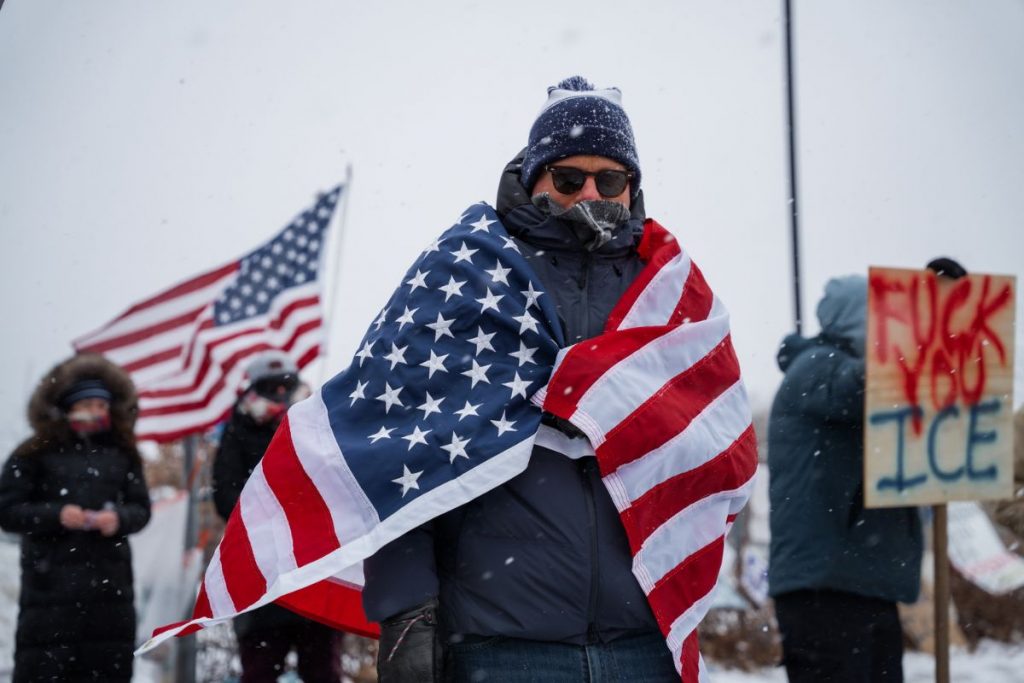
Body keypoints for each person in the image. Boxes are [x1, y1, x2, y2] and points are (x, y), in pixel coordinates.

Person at [360, 76, 754, 682]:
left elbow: (718, 451)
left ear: (633, 188)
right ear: (535, 178)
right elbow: (397, 452)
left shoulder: (672, 297)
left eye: (611, 179)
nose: (590, 193)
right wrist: (407, 612)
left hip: (645, 645)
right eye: (569, 178)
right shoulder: (467, 277)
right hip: (503, 645)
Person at [767, 275, 923, 683]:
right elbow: (870, 385)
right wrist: (935, 316)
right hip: (827, 591)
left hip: (857, 583)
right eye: (888, 320)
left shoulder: (833, 368)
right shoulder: (817, 366)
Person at [0, 353, 151, 683]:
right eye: (90, 404)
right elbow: (7, 510)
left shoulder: (123, 453)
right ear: (68, 407)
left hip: (110, 595)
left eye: (103, 405)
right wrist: (56, 514)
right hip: (49, 594)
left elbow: (142, 509)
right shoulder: (33, 451)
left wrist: (119, 519)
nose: (98, 411)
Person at [212, 351, 343, 683]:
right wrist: (276, 506)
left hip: (315, 567)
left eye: (286, 387)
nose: (280, 395)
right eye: (271, 388)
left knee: (323, 670)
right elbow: (226, 498)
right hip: (264, 573)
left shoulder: (317, 420)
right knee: (259, 668)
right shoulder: (237, 431)